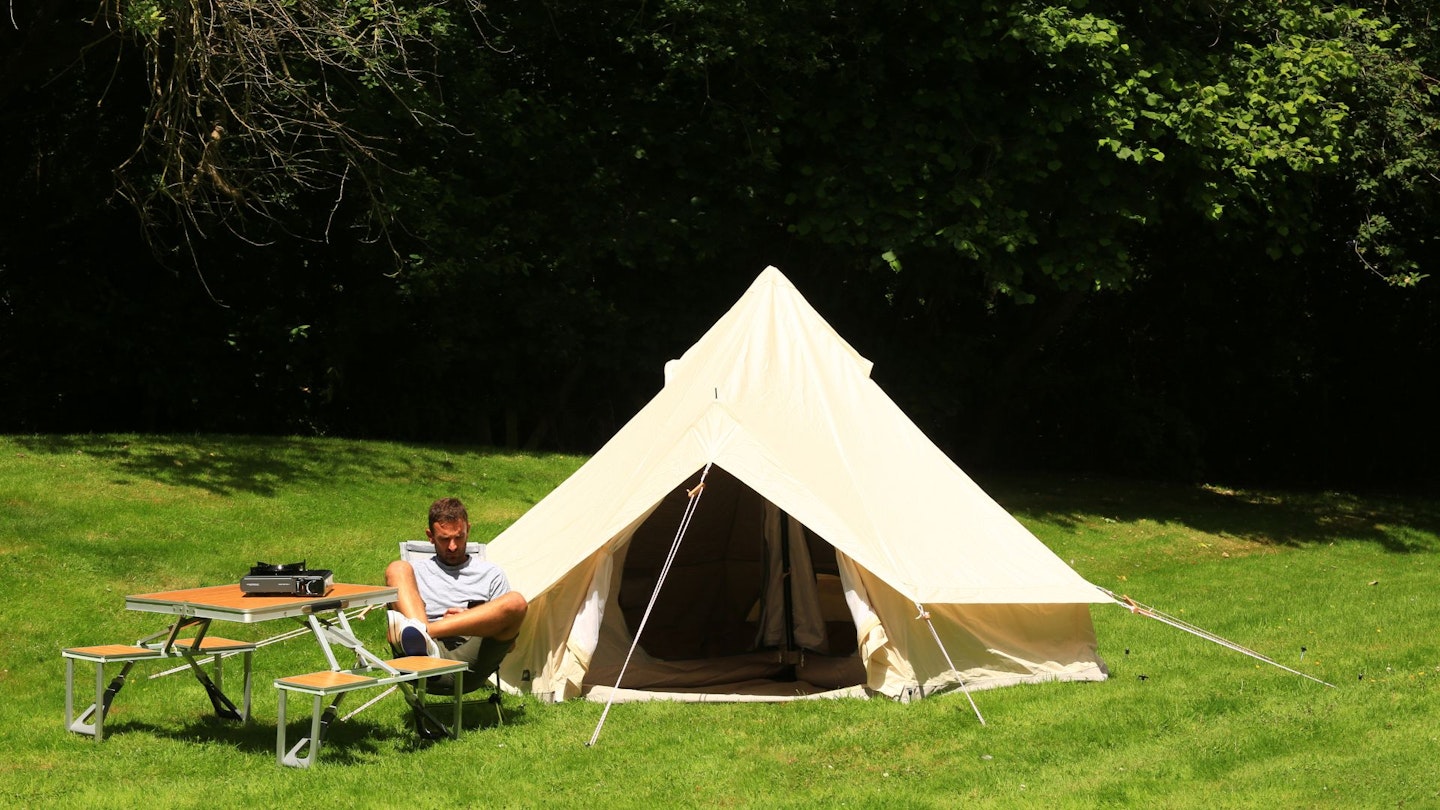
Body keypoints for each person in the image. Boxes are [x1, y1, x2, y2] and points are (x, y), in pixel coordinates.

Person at [385, 497, 528, 694]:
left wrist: (467, 621)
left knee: (516, 601)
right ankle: (423, 638)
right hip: (421, 660)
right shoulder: (414, 573)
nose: (452, 546)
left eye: (459, 537)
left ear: (468, 529)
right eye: (444, 539)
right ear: (430, 536)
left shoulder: (491, 575)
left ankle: (423, 632)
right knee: (397, 568)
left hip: (470, 659)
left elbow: (509, 645)